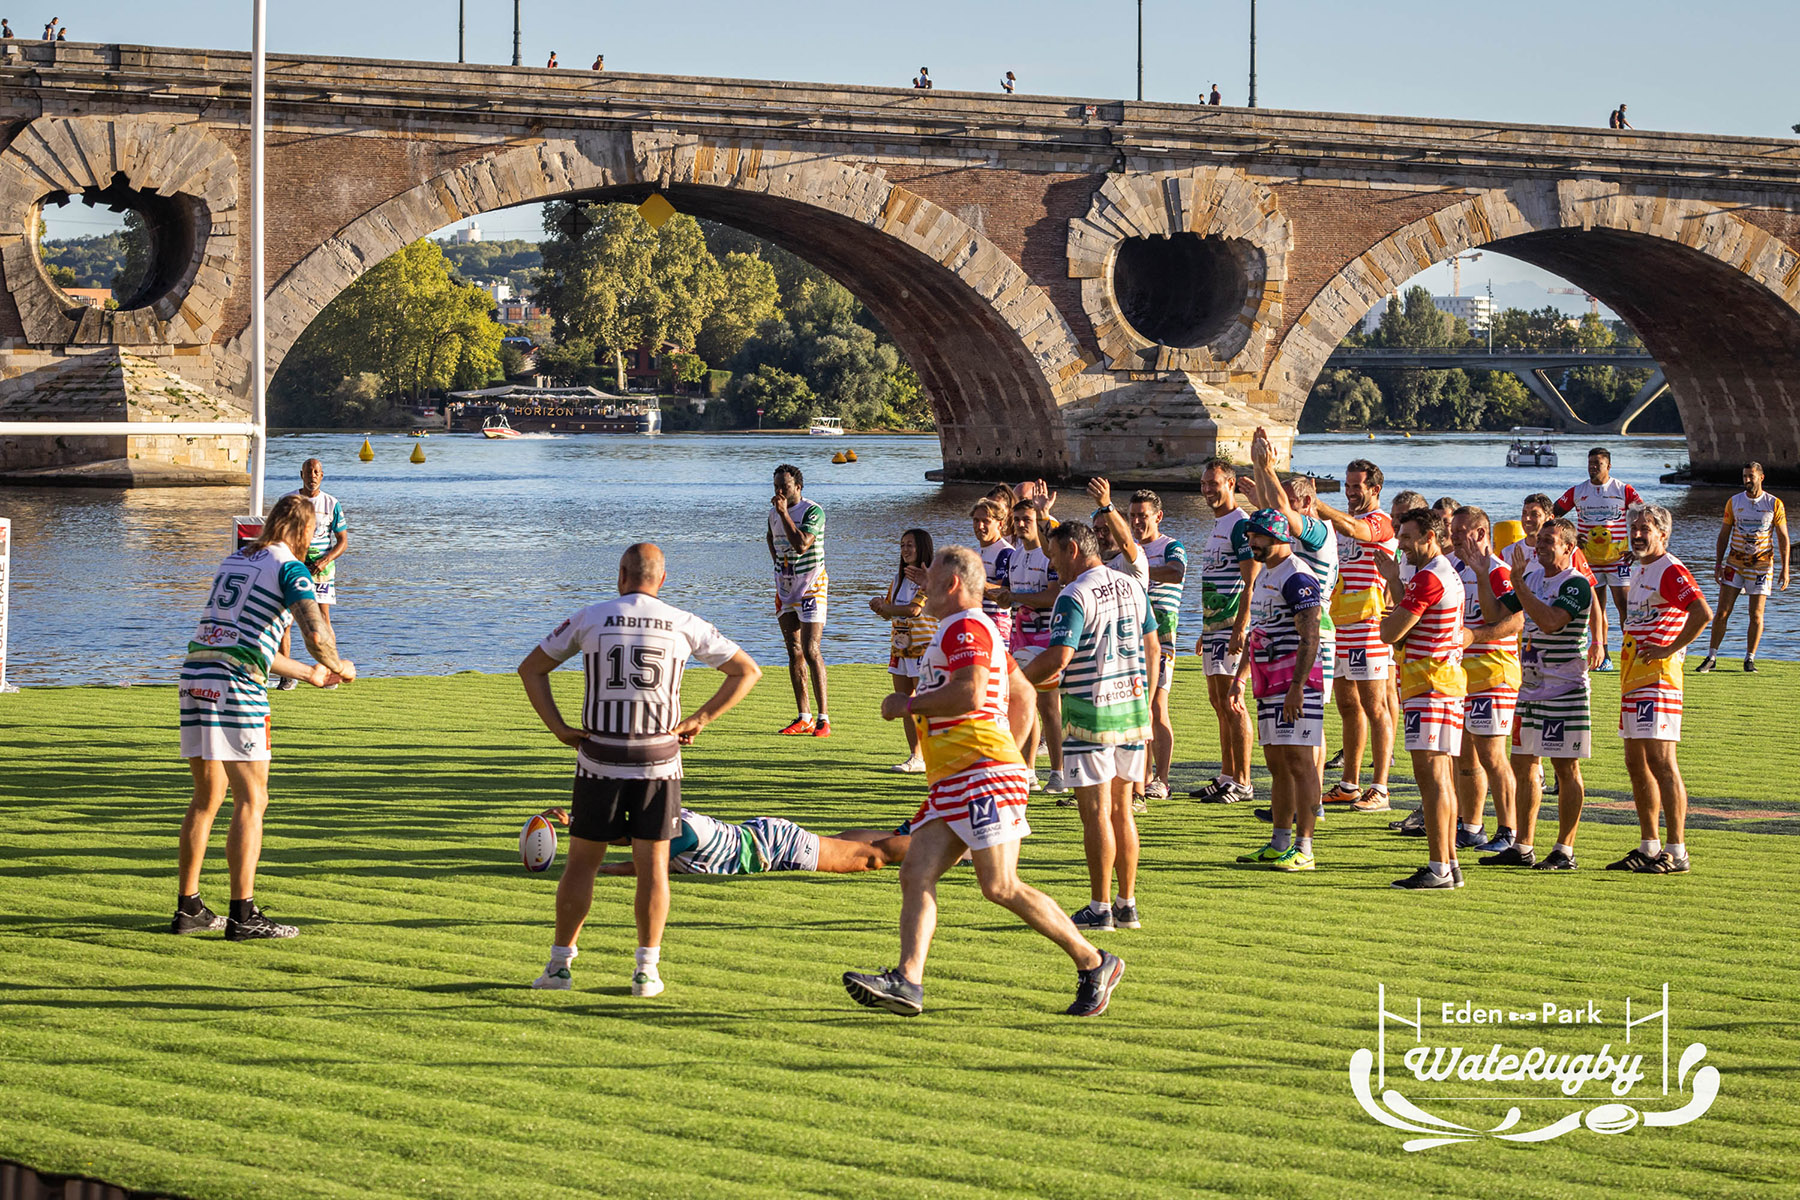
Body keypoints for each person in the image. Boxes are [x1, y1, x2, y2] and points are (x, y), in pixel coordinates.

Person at [843, 545, 1124, 1018]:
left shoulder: (966, 626)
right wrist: (1013, 748)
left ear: (951, 583)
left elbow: (972, 691)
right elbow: (1020, 690)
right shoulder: (969, 628)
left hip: (980, 776)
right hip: (959, 777)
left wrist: (908, 706)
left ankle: (1095, 961)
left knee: (999, 885)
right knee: (916, 873)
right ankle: (908, 980)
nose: (922, 583)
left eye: (929, 576)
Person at [518, 543, 761, 996]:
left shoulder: (590, 616)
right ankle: (646, 972)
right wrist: (700, 720)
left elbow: (531, 669)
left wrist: (559, 728)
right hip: (658, 763)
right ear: (662, 580)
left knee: (581, 867)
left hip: (599, 761)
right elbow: (747, 671)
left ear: (621, 575)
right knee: (654, 871)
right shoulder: (683, 622)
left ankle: (559, 967)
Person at [173, 494, 356, 940]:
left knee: (207, 796)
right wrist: (338, 665)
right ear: (306, 532)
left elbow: (243, 643)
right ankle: (243, 915)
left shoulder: (236, 560)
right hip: (236, 688)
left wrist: (308, 674)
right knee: (253, 800)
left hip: (197, 674)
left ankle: (189, 908)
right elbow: (315, 631)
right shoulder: (290, 567)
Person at [1022, 522, 1159, 932]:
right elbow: (1153, 645)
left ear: (1072, 550)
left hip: (1090, 715)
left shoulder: (1074, 594)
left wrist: (1014, 681)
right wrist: (1146, 700)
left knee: (1096, 813)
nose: (1052, 565)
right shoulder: (1133, 584)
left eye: (1053, 555)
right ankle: (1126, 905)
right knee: (1123, 812)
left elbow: (1060, 656)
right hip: (1132, 712)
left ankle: (1100, 908)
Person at [1483, 517, 1593, 871]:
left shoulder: (1575, 584)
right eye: (1539, 539)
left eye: (1549, 540)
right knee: (1524, 764)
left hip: (1564, 689)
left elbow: (1549, 620)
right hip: (1530, 689)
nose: (1540, 544)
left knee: (1564, 767)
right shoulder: (1530, 578)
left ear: (1568, 547)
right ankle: (1523, 845)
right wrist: (1482, 568)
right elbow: (1496, 613)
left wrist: (1518, 583)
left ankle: (1564, 850)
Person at [1242, 428, 1338, 830]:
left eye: (1291, 504)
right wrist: (1262, 474)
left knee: (1304, 744)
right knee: (1288, 748)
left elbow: (1278, 510)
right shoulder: (1281, 560)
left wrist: (1264, 467)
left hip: (1310, 641)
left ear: (1307, 503)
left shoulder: (1316, 533)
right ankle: (1295, 813)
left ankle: (1307, 817)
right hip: (1282, 645)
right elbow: (1273, 510)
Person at [1610, 504, 1711, 875]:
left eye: (1645, 528)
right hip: (1633, 677)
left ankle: (1677, 849)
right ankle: (1649, 845)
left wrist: (1669, 648)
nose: (1637, 533)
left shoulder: (1670, 568)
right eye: (1633, 527)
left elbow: (1702, 612)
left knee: (1663, 763)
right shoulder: (1641, 569)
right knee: (1635, 763)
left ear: (1663, 535)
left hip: (1659, 680)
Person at [1376, 508, 1469, 890]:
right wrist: (1397, 584)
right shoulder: (1443, 573)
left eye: (1407, 537)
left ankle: (1439, 868)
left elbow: (1389, 631)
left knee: (1431, 779)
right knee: (1442, 777)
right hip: (1442, 684)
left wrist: (1392, 606)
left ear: (1430, 537)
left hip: (1429, 686)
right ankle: (1449, 860)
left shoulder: (1429, 578)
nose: (1400, 544)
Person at [1229, 509, 1326, 871]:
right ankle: (1279, 841)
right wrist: (1240, 678)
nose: (1250, 542)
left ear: (1277, 537)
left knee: (1300, 762)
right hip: (1268, 682)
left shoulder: (1297, 575)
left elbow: (1310, 635)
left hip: (1294, 683)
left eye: (1256, 537)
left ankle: (1305, 847)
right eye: (1250, 536)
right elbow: (1257, 634)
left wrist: (1298, 687)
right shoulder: (1265, 573)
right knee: (1277, 764)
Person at [1313, 459, 1398, 811]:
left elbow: (1353, 529)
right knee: (1348, 706)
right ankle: (1349, 783)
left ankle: (1380, 787)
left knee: (1375, 706)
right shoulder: (1341, 524)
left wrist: (1319, 504)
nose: (1349, 492)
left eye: (1356, 487)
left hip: (1369, 627)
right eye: (1346, 486)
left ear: (1374, 490)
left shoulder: (1379, 522)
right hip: (1340, 624)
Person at [1448, 507, 1525, 854]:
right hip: (1462, 676)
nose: (1453, 537)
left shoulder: (1497, 570)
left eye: (1460, 531)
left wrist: (1475, 636)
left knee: (1492, 754)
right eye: (1451, 531)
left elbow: (1517, 619)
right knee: (1465, 755)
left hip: (1494, 672)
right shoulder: (1453, 566)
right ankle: (1472, 825)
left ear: (1481, 534)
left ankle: (1509, 829)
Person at [546, 806, 911, 876]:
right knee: (841, 841)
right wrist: (578, 823)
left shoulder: (681, 832)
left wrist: (600, 868)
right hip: (764, 837)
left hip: (774, 847)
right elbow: (629, 835)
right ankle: (906, 834)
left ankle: (938, 844)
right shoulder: (667, 819)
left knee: (871, 858)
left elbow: (647, 866)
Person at [1188, 458, 1257, 806]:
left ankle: (1244, 781)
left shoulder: (1239, 524)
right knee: (1217, 702)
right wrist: (1206, 628)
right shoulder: (1218, 524)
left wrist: (1240, 627)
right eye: (1204, 483)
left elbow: (1251, 580)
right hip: (1215, 627)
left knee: (1234, 702)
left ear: (1230, 484)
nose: (1207, 489)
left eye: (1214, 483)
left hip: (1232, 627)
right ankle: (1227, 775)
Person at [1554, 447, 1643, 668]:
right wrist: (1572, 536)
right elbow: (1554, 514)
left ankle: (1629, 651)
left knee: (1624, 605)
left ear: (1608, 466)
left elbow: (1644, 518)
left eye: (1598, 463)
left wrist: (1638, 549)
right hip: (1589, 560)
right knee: (1597, 607)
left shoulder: (1623, 490)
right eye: (1590, 462)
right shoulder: (1577, 491)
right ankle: (1604, 656)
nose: (1593, 467)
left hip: (1618, 559)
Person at [997, 502, 1064, 792]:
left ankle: (1059, 773)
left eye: (1027, 519)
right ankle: (1028, 771)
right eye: (1017, 520)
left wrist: (1013, 596)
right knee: (1025, 702)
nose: (1021, 524)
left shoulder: (1049, 557)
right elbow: (1008, 594)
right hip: (1019, 637)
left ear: (1039, 523)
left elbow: (1051, 597)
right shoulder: (1014, 557)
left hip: (1046, 637)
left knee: (1049, 707)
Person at [1698, 462, 1788, 673]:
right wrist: (1718, 564)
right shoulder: (1734, 502)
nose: (1747, 480)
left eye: (1751, 476)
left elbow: (1783, 537)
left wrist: (1785, 569)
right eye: (1744, 476)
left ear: (1761, 478)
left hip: (1762, 565)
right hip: (1734, 564)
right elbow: (1723, 535)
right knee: (1722, 611)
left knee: (1756, 614)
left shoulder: (1774, 504)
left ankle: (1749, 659)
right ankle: (1711, 656)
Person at [1130, 489, 1186, 801]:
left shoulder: (1171, 547)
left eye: (1143, 515)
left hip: (1162, 640)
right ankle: (1143, 774)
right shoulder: (1127, 550)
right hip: (1131, 640)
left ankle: (1162, 780)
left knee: (1156, 706)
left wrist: (1138, 570)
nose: (1137, 521)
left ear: (1158, 517)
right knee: (1137, 708)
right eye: (1133, 515)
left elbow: (1176, 574)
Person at [274, 458, 348, 689]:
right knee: (285, 620)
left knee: (322, 621)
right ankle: (287, 675)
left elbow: (343, 541)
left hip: (322, 570)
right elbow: (276, 534)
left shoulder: (332, 503)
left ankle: (331, 671)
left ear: (322, 475)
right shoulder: (288, 501)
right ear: (301, 474)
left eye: (316, 472)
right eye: (308, 472)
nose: (312, 476)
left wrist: (326, 559)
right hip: (294, 567)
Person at [768, 464, 829, 735]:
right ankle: (803, 716)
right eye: (776, 486)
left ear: (798, 487)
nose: (780, 491)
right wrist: (780, 569)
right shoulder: (772, 514)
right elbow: (771, 538)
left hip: (812, 586)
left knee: (811, 649)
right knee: (793, 652)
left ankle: (823, 718)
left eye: (785, 486)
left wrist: (784, 514)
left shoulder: (812, 511)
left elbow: (801, 544)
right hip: (786, 589)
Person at [869, 528, 936, 772]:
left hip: (924, 647)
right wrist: (879, 607)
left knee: (925, 703)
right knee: (905, 702)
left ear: (922, 549)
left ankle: (935, 753)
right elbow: (891, 612)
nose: (905, 550)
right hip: (900, 649)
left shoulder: (929, 577)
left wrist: (888, 608)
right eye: (902, 545)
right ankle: (915, 757)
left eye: (910, 545)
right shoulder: (897, 579)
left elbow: (913, 610)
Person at [971, 497, 1016, 644]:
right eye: (976, 520)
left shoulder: (1005, 552)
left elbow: (1004, 593)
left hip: (997, 625)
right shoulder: (974, 552)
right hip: (975, 623)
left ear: (1000, 524)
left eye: (986, 521)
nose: (980, 526)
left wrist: (970, 581)